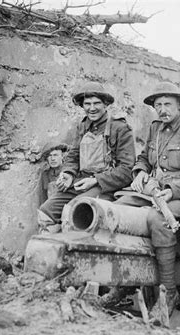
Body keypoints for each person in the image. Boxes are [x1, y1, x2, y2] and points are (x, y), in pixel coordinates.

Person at [115, 82, 180, 317]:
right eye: (158, 105)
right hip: (153, 191)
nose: (162, 109)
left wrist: (171, 190)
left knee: (158, 220)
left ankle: (169, 292)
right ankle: (122, 285)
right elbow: (145, 158)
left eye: (167, 104)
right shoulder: (155, 128)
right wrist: (139, 172)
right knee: (117, 210)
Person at [38, 81, 136, 233]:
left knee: (72, 212)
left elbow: (127, 170)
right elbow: (73, 156)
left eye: (97, 103)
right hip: (80, 183)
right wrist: (69, 173)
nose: (92, 108)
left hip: (106, 187)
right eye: (87, 103)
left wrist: (96, 180)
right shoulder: (83, 126)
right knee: (45, 212)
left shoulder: (120, 128)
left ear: (105, 105)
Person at [38, 141, 68, 206]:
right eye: (49, 156)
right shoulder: (45, 174)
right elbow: (43, 198)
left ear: (62, 156)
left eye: (55, 155)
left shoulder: (68, 172)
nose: (52, 159)